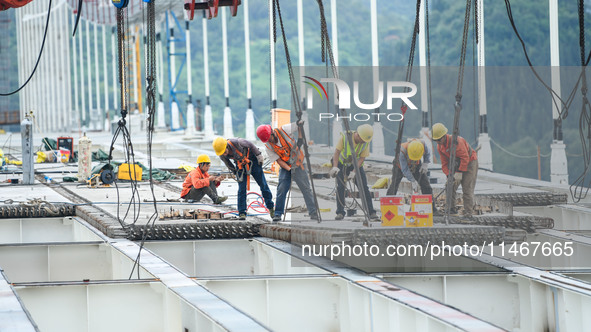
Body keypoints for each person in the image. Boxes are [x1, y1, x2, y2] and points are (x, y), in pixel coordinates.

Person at [257, 121, 318, 222]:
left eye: (270, 138)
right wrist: (290, 170)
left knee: (306, 188)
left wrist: (300, 138)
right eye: (267, 140)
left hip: (299, 163)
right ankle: (278, 214)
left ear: (273, 132)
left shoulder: (284, 130)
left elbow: (299, 125)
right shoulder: (268, 146)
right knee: (281, 189)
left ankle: (313, 212)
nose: (270, 141)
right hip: (286, 166)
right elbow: (279, 161)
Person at [213, 136, 274, 220]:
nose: (224, 154)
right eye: (222, 153)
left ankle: (271, 208)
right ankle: (242, 212)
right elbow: (229, 164)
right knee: (241, 189)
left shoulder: (238, 142)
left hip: (253, 161)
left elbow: (251, 145)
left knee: (263, 185)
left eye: (225, 151)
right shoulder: (222, 154)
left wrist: (259, 156)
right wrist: (236, 173)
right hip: (240, 166)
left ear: (227, 146)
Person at [328, 124, 379, 221]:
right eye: (363, 139)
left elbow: (362, 158)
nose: (363, 142)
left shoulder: (365, 142)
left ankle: (371, 212)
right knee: (340, 187)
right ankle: (340, 212)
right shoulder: (345, 138)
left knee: (363, 187)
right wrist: (335, 167)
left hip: (355, 165)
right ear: (358, 135)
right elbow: (337, 153)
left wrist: (354, 171)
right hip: (341, 164)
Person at [432, 123, 478, 216]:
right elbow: (444, 163)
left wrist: (459, 172)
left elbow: (465, 157)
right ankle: (451, 209)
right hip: (456, 165)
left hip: (469, 163)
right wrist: (449, 175)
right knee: (450, 186)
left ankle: (469, 213)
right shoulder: (440, 147)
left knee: (467, 190)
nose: (438, 142)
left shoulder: (457, 142)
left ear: (444, 136)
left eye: (439, 139)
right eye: (435, 140)